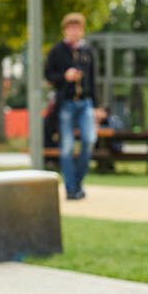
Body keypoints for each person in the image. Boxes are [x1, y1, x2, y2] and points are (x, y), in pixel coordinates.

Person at [45, 11, 97, 200]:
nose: (74, 31)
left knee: (89, 140)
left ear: (82, 30)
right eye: (70, 28)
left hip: (85, 103)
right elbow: (49, 76)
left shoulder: (87, 51)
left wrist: (96, 106)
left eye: (77, 28)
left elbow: (93, 80)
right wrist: (64, 77)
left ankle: (77, 182)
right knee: (66, 147)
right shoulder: (57, 51)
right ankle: (71, 189)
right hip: (66, 103)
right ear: (65, 30)